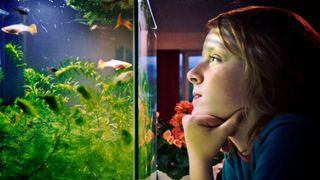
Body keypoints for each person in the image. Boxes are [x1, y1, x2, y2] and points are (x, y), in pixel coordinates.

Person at [182, 6, 320, 180]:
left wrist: (199, 159)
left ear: (267, 71)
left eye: (215, 58)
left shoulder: (289, 137)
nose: (192, 74)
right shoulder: (239, 151)